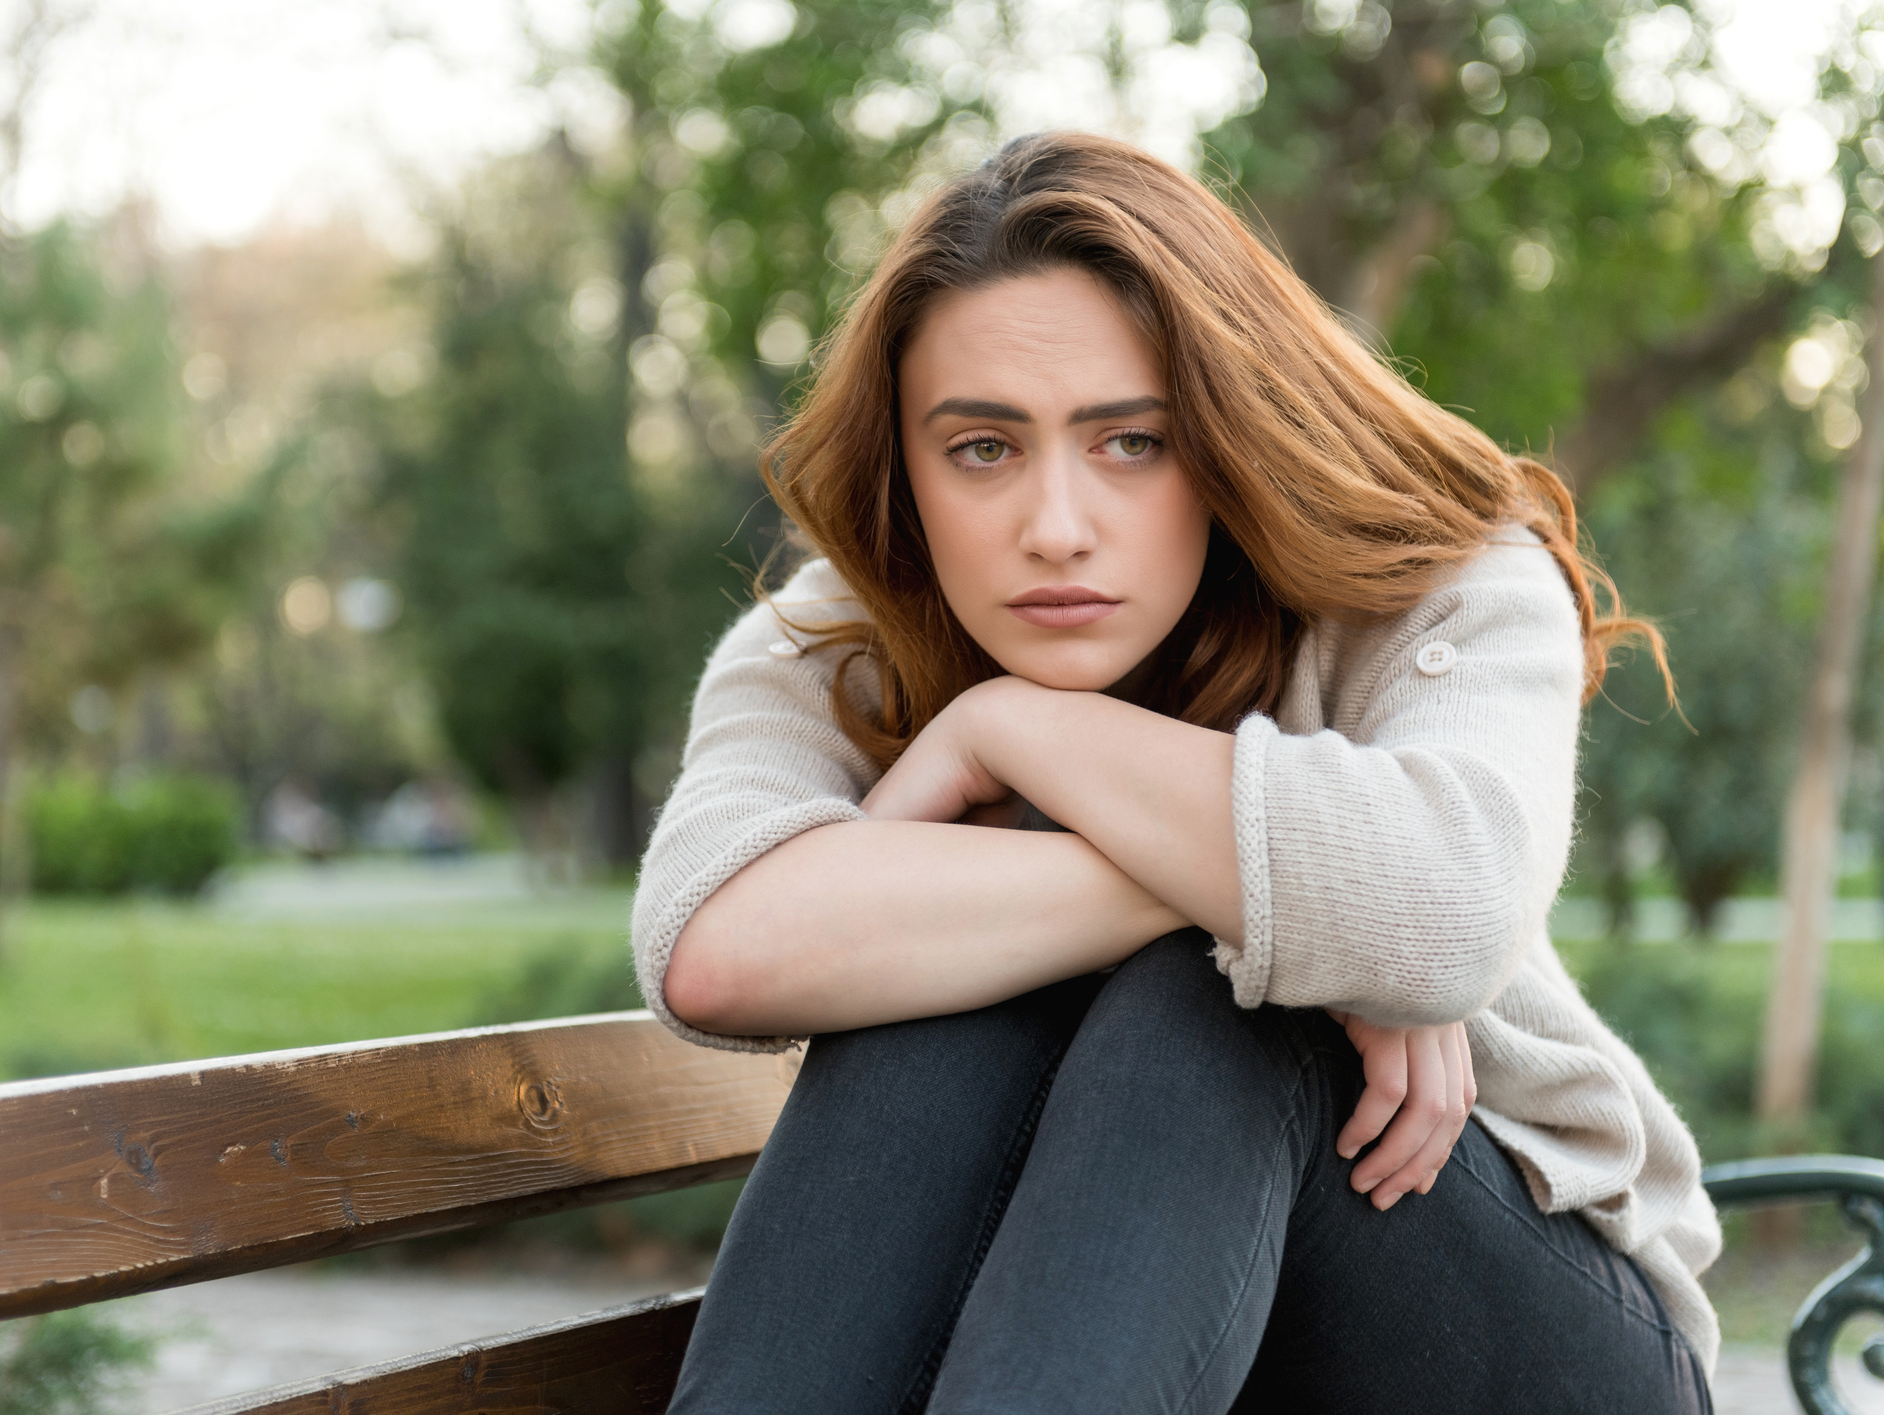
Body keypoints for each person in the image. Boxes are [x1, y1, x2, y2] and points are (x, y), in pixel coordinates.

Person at [630, 132, 1719, 1413]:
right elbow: (713, 942)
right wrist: (1287, 895)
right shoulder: (834, 642)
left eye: (1129, 441)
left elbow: (1448, 898)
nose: (1055, 526)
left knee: (1214, 1007)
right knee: (946, 986)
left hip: (1519, 1325)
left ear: (1227, 425)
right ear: (905, 466)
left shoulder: (1440, 578)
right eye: (981, 447)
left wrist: (1010, 730)